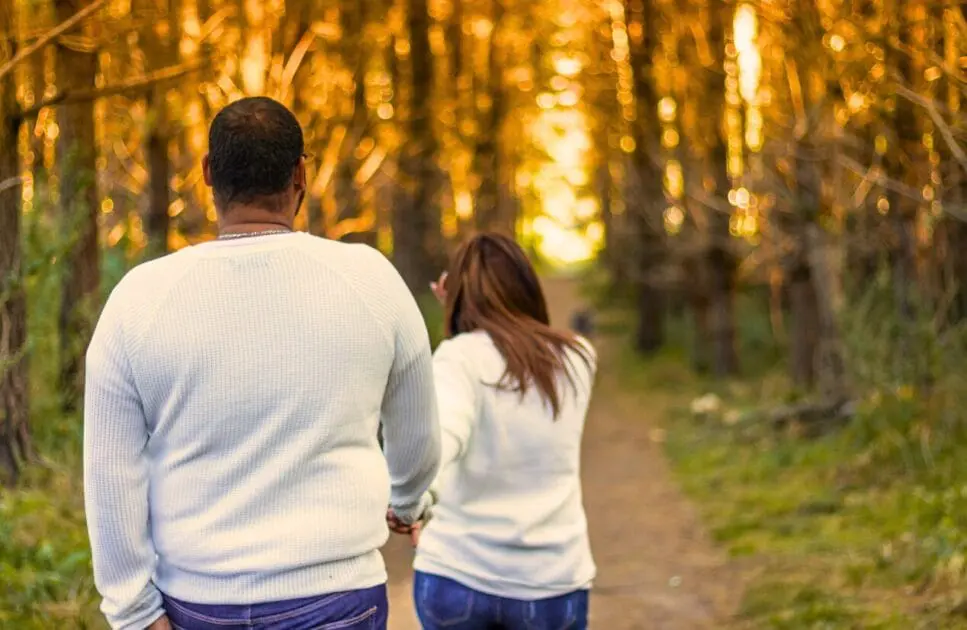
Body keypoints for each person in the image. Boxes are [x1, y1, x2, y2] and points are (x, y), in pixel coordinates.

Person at [83, 96, 440, 630]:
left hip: (195, 603)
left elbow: (110, 476)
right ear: (301, 175)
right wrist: (408, 503)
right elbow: (417, 438)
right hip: (338, 596)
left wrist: (135, 612)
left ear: (207, 173)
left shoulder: (139, 298)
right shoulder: (371, 279)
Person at [390, 233, 597, 630]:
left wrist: (415, 501)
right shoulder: (578, 358)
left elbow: (443, 438)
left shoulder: (460, 356)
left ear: (458, 295)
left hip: (461, 578)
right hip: (553, 583)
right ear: (527, 287)